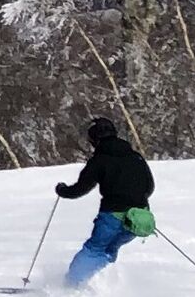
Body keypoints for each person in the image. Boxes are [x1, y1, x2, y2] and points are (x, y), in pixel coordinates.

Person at [57, 116, 156, 287]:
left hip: (112, 216)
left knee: (93, 250)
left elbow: (81, 188)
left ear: (94, 139)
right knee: (110, 250)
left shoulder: (99, 159)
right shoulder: (135, 157)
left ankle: (70, 286)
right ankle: (101, 285)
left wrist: (63, 191)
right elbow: (149, 186)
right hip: (138, 219)